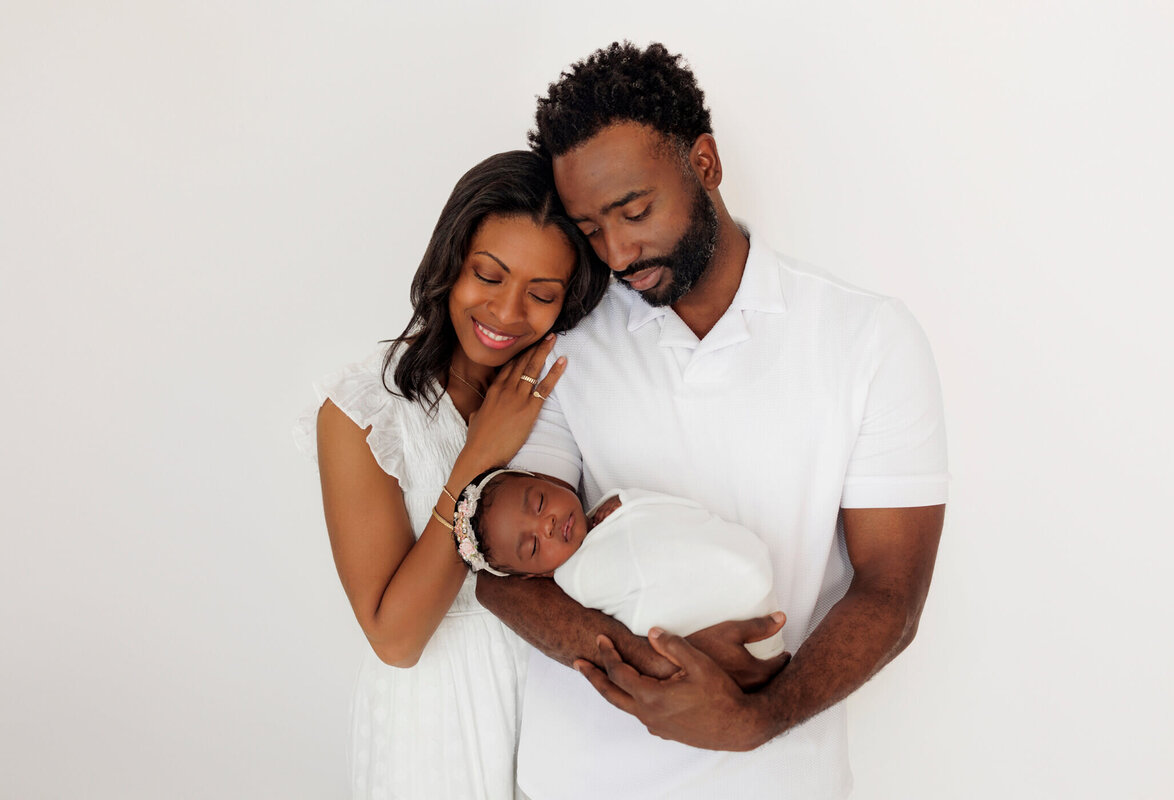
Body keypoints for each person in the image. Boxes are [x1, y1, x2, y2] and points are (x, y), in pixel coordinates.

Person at [475, 43, 949, 799]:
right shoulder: (563, 344)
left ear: (705, 162)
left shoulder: (868, 339)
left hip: (780, 780)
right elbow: (501, 575)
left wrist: (757, 720)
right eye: (591, 229)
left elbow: (891, 592)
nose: (620, 251)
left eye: (635, 211)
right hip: (581, 782)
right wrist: (653, 658)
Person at [296, 150, 607, 799]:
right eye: (488, 275)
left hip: (556, 716)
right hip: (434, 729)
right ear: (450, 262)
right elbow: (395, 637)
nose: (505, 312)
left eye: (541, 294)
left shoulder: (560, 392)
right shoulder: (363, 414)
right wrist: (477, 460)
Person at [449, 468, 785, 659]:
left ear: (544, 477)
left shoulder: (605, 509)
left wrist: (622, 504)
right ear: (538, 574)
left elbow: (673, 522)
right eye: (533, 546)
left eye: (539, 502)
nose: (546, 525)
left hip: (745, 571)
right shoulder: (579, 578)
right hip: (734, 622)